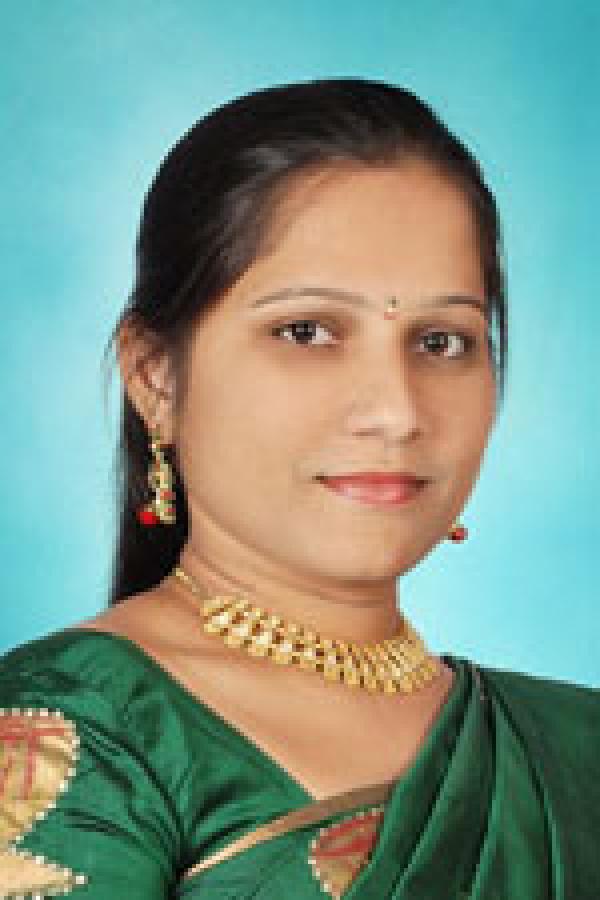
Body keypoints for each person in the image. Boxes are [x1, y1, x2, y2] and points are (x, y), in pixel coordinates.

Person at [0, 77, 597, 900]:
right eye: (307, 331)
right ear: (155, 376)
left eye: (441, 341)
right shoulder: (70, 734)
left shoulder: (574, 749)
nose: (396, 412)